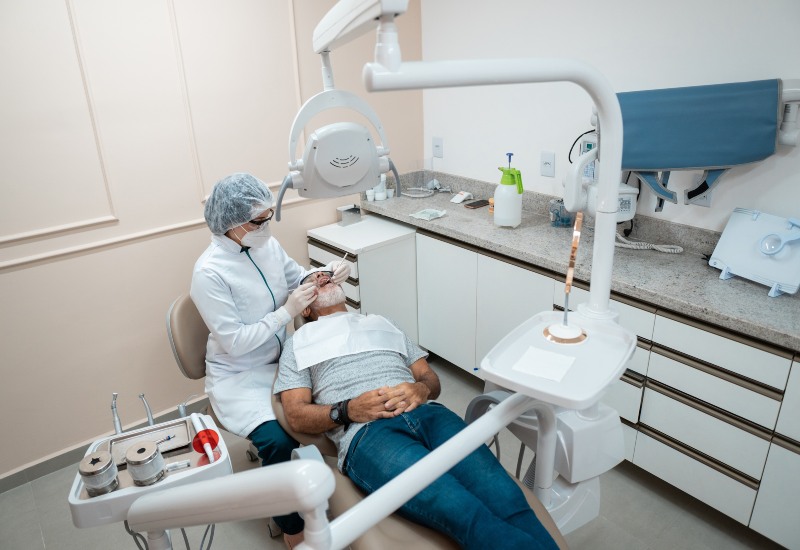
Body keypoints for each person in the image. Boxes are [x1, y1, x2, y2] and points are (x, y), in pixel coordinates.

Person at [274, 271, 559, 550]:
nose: (321, 276)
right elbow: (296, 415)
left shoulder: (382, 323)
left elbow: (430, 380)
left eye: (325, 274)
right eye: (311, 280)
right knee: (462, 509)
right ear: (307, 307)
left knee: (507, 497)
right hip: (369, 433)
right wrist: (348, 410)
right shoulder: (298, 343)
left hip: (431, 414)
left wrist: (421, 390)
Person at [190, 173, 349, 548]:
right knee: (278, 441)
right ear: (231, 224)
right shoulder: (209, 273)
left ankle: (334, 487)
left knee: (335, 401)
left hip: (283, 359)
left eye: (267, 217)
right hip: (239, 375)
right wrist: (286, 312)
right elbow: (235, 343)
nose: (266, 227)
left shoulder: (266, 246)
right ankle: (292, 529)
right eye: (258, 221)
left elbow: (298, 278)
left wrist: (325, 272)